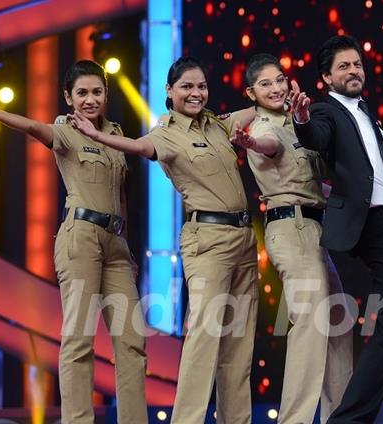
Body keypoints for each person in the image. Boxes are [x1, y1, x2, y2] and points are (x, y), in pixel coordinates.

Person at [69, 56, 258, 424]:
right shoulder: (166, 133)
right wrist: (94, 135)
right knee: (205, 339)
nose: (195, 93)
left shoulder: (218, 125)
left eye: (201, 86)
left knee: (239, 343)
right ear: (169, 91)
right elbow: (140, 148)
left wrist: (274, 95)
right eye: (186, 86)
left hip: (244, 239)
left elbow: (249, 112)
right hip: (207, 240)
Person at [0, 60, 147, 423]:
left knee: (132, 341)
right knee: (79, 338)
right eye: (82, 93)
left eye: (97, 92)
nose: (90, 99)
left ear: (107, 95)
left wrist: (125, 244)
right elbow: (34, 127)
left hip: (115, 245)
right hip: (81, 239)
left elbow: (121, 192)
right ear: (68, 97)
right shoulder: (66, 129)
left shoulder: (115, 132)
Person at [290, 35, 383, 424]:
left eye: (357, 64)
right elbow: (316, 138)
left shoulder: (367, 114)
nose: (354, 71)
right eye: (344, 66)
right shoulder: (325, 111)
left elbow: (382, 166)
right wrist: (301, 120)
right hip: (379, 225)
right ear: (326, 77)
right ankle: (348, 419)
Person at [231, 52, 353, 423]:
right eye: (265, 83)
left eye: (279, 79)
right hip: (292, 229)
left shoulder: (300, 123)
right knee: (311, 325)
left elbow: (317, 184)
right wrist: (251, 145)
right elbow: (270, 145)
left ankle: (340, 416)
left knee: (339, 323)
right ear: (251, 92)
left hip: (316, 230)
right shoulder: (263, 128)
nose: (275, 87)